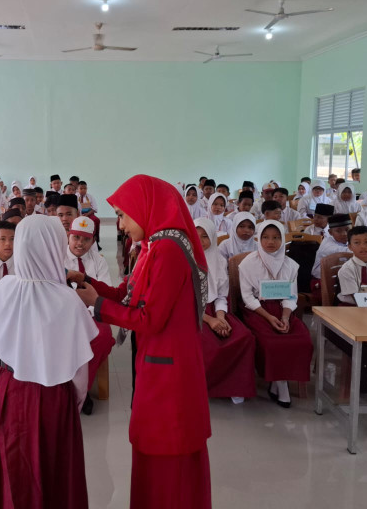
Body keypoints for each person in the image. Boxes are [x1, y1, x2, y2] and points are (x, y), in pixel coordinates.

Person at [73, 175, 211, 509]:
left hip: (170, 369)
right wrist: (87, 281)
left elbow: (150, 318)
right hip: (157, 360)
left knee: (169, 449)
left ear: (145, 209)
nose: (119, 224)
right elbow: (127, 294)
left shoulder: (168, 251)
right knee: (153, 445)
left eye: (123, 215)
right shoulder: (152, 246)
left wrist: (96, 304)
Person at [0, 216, 96, 508]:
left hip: (10, 389)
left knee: (12, 469)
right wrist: (76, 402)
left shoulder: (4, 289)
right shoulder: (68, 300)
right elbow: (80, 373)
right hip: (54, 396)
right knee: (54, 473)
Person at [238, 221, 313, 409]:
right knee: (271, 341)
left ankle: (280, 381)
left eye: (276, 237)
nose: (270, 242)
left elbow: (291, 296)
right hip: (257, 310)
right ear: (259, 238)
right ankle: (280, 384)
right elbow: (247, 297)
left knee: (302, 339)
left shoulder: (291, 265)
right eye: (265, 237)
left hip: (282, 310)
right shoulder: (248, 264)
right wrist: (269, 317)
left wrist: (285, 317)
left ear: (283, 239)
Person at [195, 218, 256, 403]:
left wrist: (220, 317)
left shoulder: (219, 261)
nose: (201, 241)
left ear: (213, 238)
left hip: (216, 309)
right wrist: (210, 321)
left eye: (205, 236)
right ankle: (204, 388)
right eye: (196, 237)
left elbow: (222, 294)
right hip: (194, 314)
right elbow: (185, 301)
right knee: (208, 343)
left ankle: (234, 387)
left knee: (243, 337)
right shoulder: (183, 260)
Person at [65, 216, 114, 415]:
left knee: (102, 338)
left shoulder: (98, 262)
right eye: (76, 237)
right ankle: (63, 389)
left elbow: (105, 292)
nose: (80, 243)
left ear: (93, 241)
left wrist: (89, 311)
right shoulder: (57, 259)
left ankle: (81, 392)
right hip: (64, 316)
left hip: (92, 314)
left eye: (86, 239)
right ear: (69, 236)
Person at [311, 213, 352, 288]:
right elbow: (351, 252)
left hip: (340, 279)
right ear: (330, 232)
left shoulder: (350, 240)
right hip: (321, 282)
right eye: (338, 231)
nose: (344, 234)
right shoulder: (327, 245)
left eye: (347, 230)